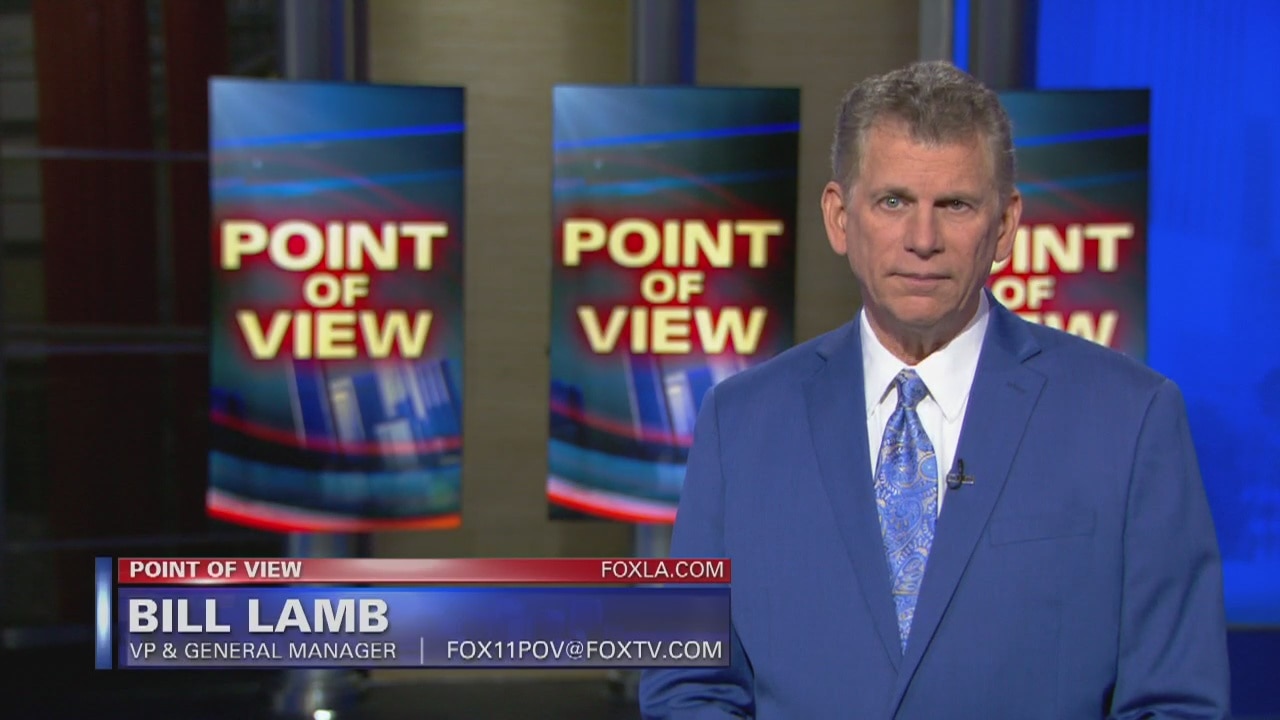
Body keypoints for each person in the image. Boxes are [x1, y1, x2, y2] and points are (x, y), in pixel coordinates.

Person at [638, 61, 1231, 719]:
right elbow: (688, 685)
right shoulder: (738, 422)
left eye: (955, 205)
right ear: (839, 217)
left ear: (1004, 225)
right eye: (893, 202)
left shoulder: (1129, 418)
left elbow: (1176, 702)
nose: (923, 240)